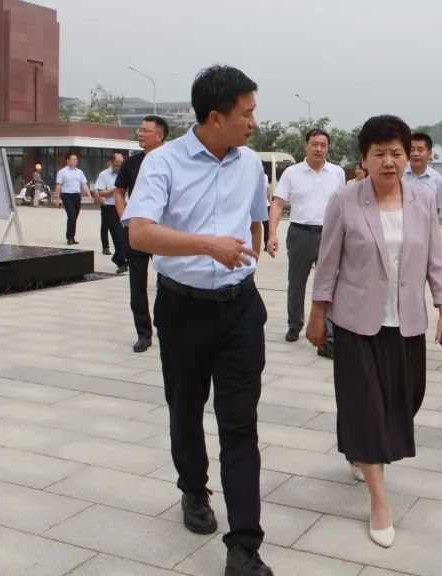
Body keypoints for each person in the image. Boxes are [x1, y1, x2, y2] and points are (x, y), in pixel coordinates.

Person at [123, 65, 273, 576]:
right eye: (246, 113)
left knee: (240, 424)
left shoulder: (250, 163)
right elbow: (140, 233)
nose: (253, 122)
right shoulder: (163, 162)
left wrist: (249, 255)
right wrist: (207, 245)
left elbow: (255, 219)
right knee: (185, 408)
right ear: (215, 117)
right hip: (182, 308)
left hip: (240, 310)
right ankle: (192, 488)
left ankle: (244, 546)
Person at [308, 115, 442, 549]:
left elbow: (436, 260)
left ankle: (360, 447)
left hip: (406, 322)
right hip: (357, 322)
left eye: (397, 153)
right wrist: (318, 313)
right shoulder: (345, 200)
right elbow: (328, 262)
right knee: (368, 407)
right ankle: (379, 501)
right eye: (379, 154)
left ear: (408, 156)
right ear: (364, 159)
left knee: (405, 402)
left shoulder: (423, 200)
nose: (389, 161)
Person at [266, 128, 346, 355]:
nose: (319, 149)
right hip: (300, 233)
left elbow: (344, 205)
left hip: (329, 235)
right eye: (315, 144)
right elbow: (278, 204)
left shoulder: (337, 173)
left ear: (327, 148)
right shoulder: (292, 173)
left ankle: (329, 333)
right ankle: (294, 325)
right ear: (306, 146)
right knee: (296, 282)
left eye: (323, 145)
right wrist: (272, 235)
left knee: (330, 284)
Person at [115, 114, 169, 353]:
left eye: (145, 130)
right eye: (139, 130)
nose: (140, 134)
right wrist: (125, 219)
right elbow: (119, 192)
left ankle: (164, 326)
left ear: (159, 135)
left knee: (166, 281)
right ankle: (143, 333)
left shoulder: (171, 160)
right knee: (137, 284)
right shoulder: (131, 163)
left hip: (163, 232)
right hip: (136, 232)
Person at [94, 153, 128, 274]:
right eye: (117, 165)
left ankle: (120, 257)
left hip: (126, 207)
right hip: (110, 207)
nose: (119, 168)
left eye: (121, 165)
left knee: (126, 235)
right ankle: (122, 262)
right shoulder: (104, 174)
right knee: (117, 235)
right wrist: (115, 190)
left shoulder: (127, 172)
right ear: (111, 163)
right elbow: (100, 193)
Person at [54, 154, 95, 246]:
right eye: (73, 159)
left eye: (76, 159)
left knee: (74, 217)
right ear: (68, 160)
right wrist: (57, 199)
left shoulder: (80, 172)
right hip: (66, 196)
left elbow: (84, 184)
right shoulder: (62, 172)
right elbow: (58, 185)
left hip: (77, 196)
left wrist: (89, 195)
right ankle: (69, 237)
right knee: (72, 216)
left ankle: (72, 237)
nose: (75, 161)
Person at [402, 132, 442, 213]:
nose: (415, 154)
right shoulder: (400, 174)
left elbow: (436, 209)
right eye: (412, 150)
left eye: (420, 150)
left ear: (429, 154)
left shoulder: (437, 179)